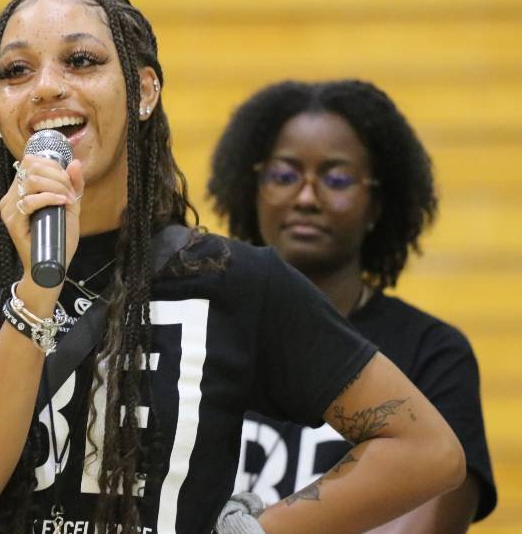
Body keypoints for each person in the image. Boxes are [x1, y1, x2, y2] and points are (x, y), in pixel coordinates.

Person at [0, 0, 467, 534]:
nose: (46, 87)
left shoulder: (233, 280)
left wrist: (256, 531)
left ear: (144, 91)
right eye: (16, 71)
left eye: (80, 60)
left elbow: (424, 449)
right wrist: (36, 290)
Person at [207, 79, 496, 531]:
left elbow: (431, 518)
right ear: (252, 189)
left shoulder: (433, 352)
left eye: (337, 179)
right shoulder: (205, 328)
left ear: (378, 203)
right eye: (283, 176)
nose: (306, 197)